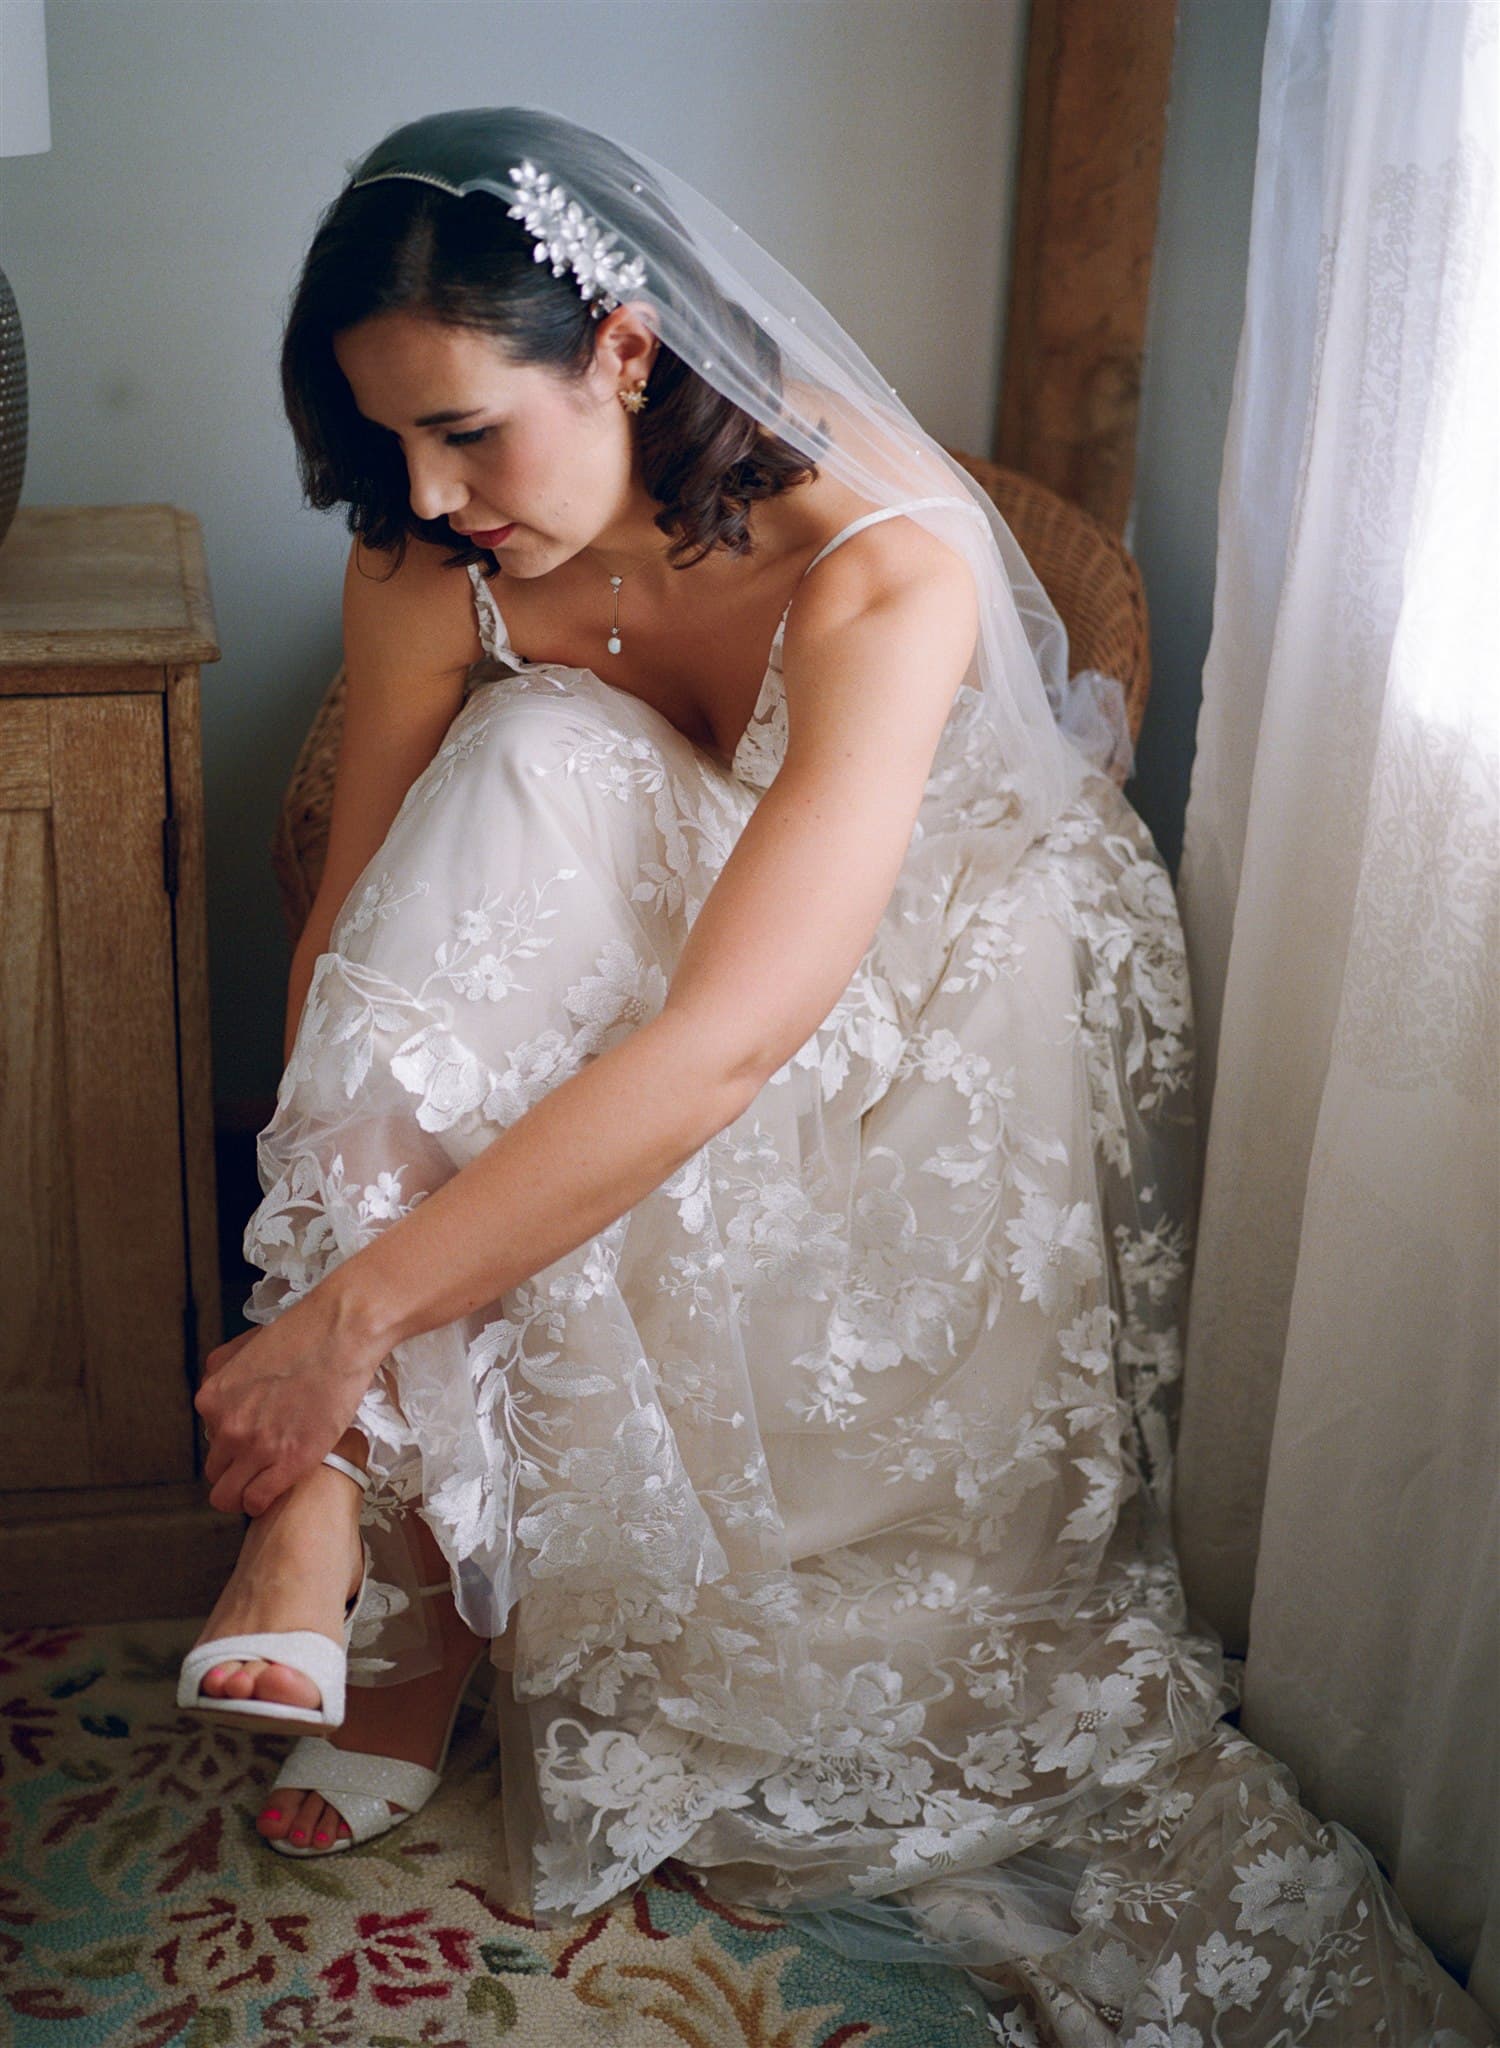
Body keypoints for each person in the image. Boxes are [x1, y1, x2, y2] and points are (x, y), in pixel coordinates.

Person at [175, 107, 1494, 2045]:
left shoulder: (879, 561)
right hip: (660, 932)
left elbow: (722, 1046)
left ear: (625, 349)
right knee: (520, 778)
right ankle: (350, 1518)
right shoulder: (423, 560)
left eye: (467, 430)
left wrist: (350, 1310)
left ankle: (353, 1495)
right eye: (383, 443)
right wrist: (311, 1272)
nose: (428, 491)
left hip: (925, 986)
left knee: (582, 888)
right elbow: (356, 933)